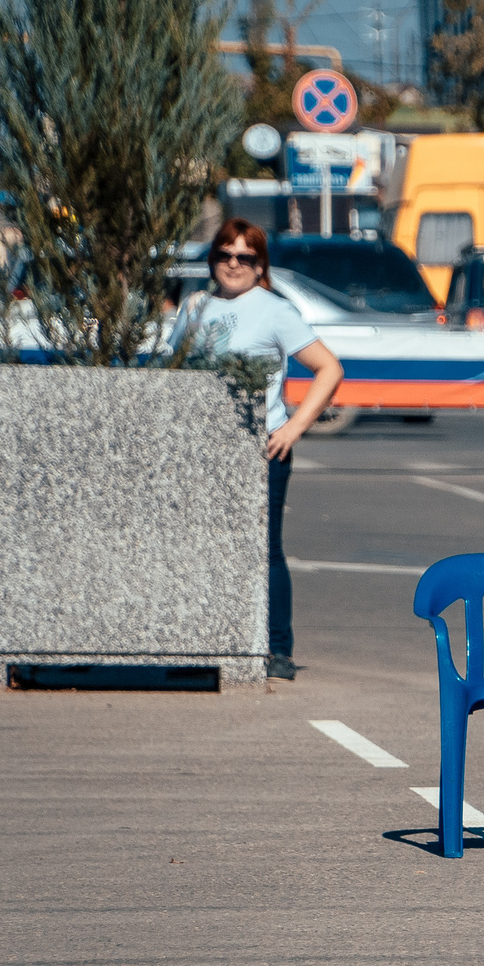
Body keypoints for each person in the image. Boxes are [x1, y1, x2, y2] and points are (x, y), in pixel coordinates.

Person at [176, 219, 344, 680]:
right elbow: (171, 372)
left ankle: (277, 649)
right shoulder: (193, 307)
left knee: (264, 550)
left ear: (259, 264)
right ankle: (207, 644)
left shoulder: (274, 311)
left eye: (244, 257)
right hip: (202, 451)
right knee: (203, 546)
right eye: (224, 254)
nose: (233, 264)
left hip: (261, 449)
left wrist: (291, 429)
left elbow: (329, 369)